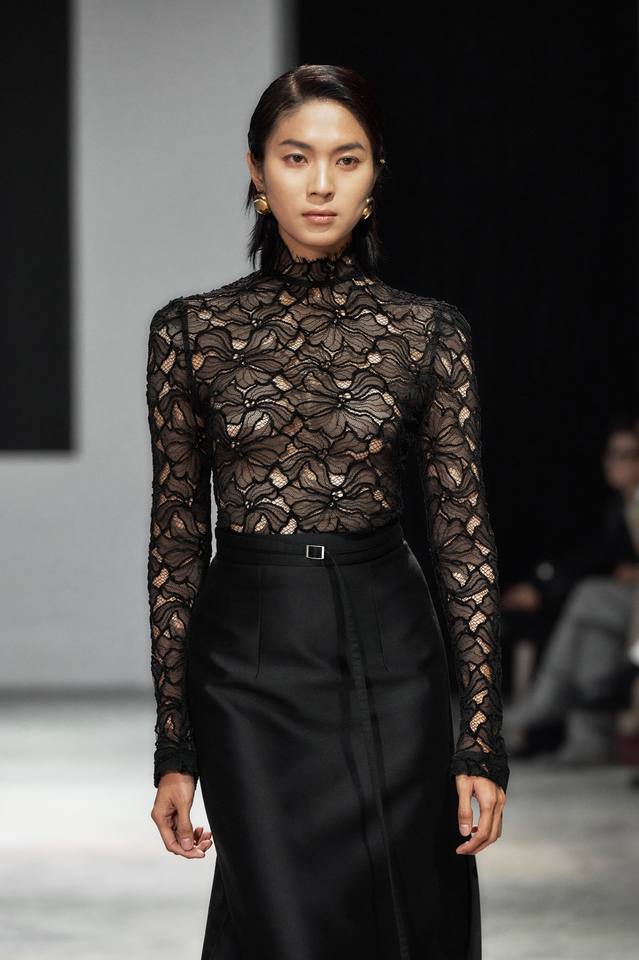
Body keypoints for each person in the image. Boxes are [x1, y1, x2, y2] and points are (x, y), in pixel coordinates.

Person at [145, 64, 509, 960]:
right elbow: (178, 539)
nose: (319, 183)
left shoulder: (428, 333)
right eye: (295, 157)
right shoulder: (190, 333)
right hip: (247, 666)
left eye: (345, 160)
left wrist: (478, 742)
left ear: (374, 175)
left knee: (401, 922)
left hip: (391, 652)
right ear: (256, 171)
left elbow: (462, 538)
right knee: (283, 928)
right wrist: (175, 746)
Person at [503, 418, 639, 765]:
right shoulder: (619, 506)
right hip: (626, 609)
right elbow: (596, 555)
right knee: (594, 629)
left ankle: (543, 703)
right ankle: (588, 740)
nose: (614, 463)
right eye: (612, 454)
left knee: (587, 596)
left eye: (626, 455)